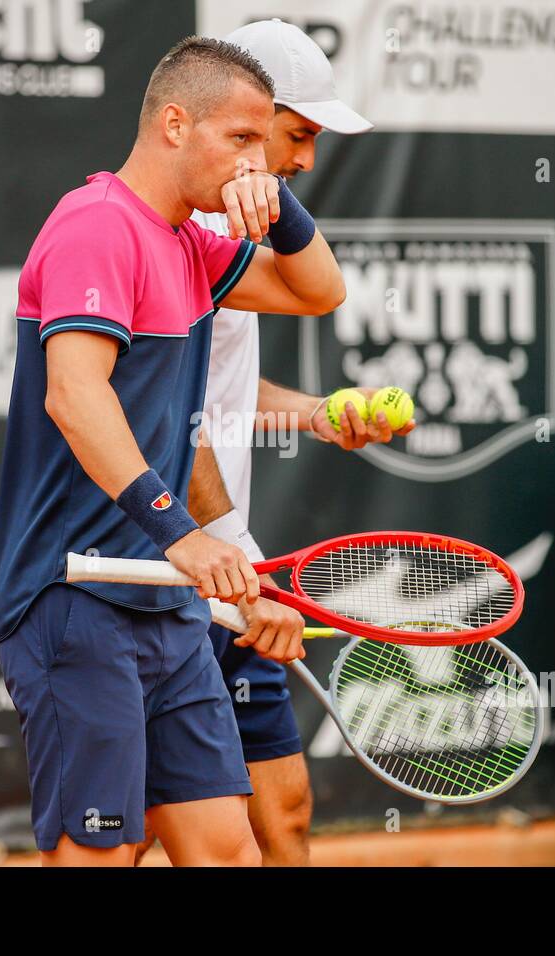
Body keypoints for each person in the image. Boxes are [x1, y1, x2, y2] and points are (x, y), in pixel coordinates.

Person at [0, 35, 346, 867]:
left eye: (267, 143)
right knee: (103, 855)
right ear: (175, 125)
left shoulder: (190, 244)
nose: (257, 163)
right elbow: (74, 396)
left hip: (167, 610)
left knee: (227, 850)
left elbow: (319, 289)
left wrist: (280, 205)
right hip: (74, 596)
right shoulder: (95, 226)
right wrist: (182, 535)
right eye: (242, 141)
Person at [139, 19, 413, 867]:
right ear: (247, 125)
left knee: (281, 812)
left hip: (223, 567)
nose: (304, 162)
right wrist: (238, 566)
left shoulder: (227, 238)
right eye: (296, 136)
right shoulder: (178, 235)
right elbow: (171, 428)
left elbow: (213, 398)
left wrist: (312, 412)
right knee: (163, 835)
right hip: (180, 569)